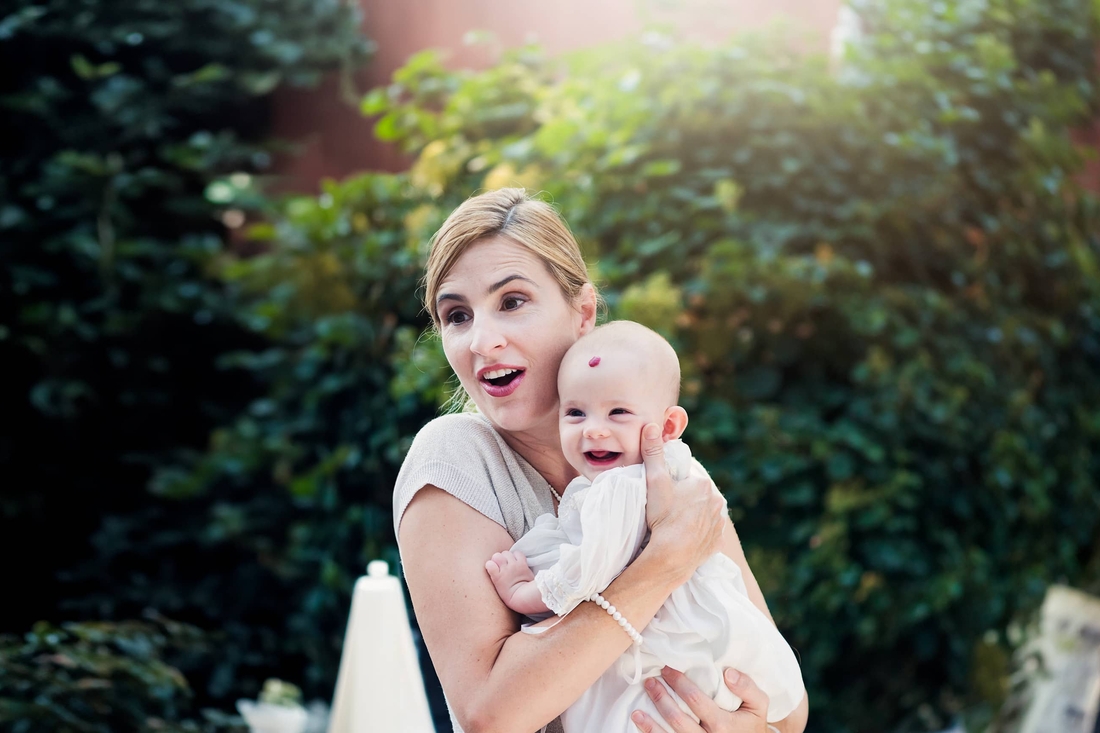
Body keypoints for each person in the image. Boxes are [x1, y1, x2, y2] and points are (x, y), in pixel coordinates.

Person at [392, 188, 810, 733]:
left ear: (583, 311)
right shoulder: (454, 456)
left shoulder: (653, 458)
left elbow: (786, 706)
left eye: (512, 302)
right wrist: (663, 561)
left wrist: (749, 729)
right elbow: (491, 714)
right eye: (457, 316)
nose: (483, 341)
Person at [484, 321, 805, 733]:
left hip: (662, 647)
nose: (594, 429)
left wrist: (523, 592)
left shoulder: (619, 488)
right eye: (575, 412)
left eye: (618, 412)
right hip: (710, 641)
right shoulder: (682, 473)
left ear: (668, 427)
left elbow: (586, 571)